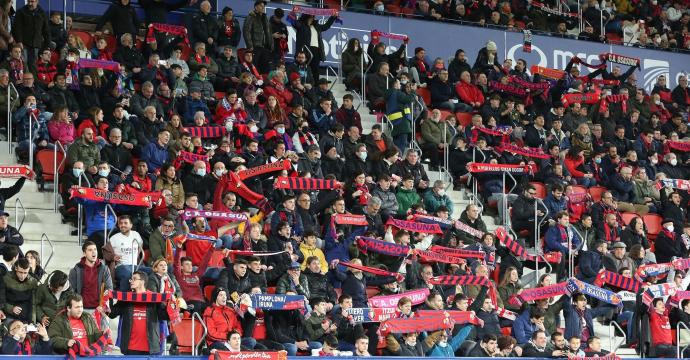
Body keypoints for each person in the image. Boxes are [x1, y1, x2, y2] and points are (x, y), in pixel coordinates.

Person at [108, 271, 169, 355]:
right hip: (130, 348)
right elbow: (112, 314)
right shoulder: (126, 298)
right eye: (131, 279)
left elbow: (165, 316)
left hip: (150, 348)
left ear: (142, 281)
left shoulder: (154, 297)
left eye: (134, 279)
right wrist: (109, 298)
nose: (131, 281)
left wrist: (171, 304)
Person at [68, 241, 113, 331]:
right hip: (82, 310)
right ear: (84, 253)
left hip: (100, 310)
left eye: (95, 249)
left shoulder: (104, 269)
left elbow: (109, 289)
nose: (94, 252)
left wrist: (103, 306)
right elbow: (71, 292)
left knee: (103, 341)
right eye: (90, 250)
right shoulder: (75, 270)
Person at [242, 0, 272, 73]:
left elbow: (268, 32)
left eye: (264, 6)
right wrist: (250, 45)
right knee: (255, 67)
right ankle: (256, 83)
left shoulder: (265, 17)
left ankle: (263, 83)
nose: (263, 7)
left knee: (264, 68)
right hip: (255, 47)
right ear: (256, 7)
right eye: (261, 6)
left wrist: (270, 45)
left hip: (265, 47)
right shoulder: (251, 17)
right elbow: (246, 31)